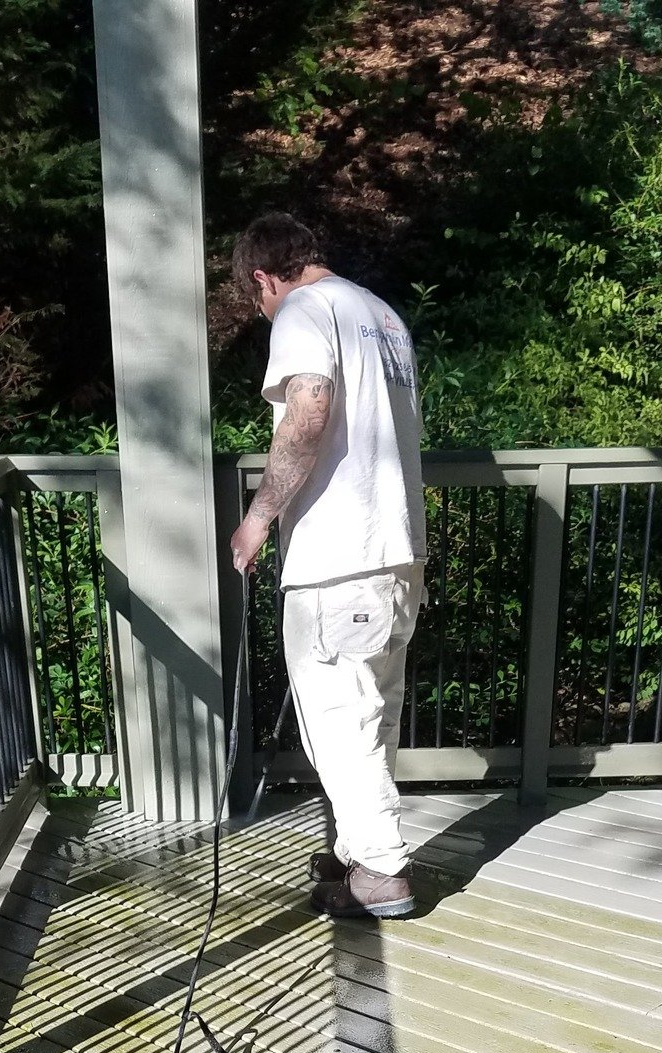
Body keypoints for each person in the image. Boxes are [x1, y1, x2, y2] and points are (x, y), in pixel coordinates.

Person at [229, 213, 426, 920]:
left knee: (340, 722)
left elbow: (308, 412)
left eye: (256, 298)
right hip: (397, 550)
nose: (262, 310)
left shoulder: (305, 310)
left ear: (262, 277)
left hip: (340, 559)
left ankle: (380, 872)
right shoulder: (381, 313)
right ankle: (357, 849)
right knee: (374, 714)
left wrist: (258, 519)